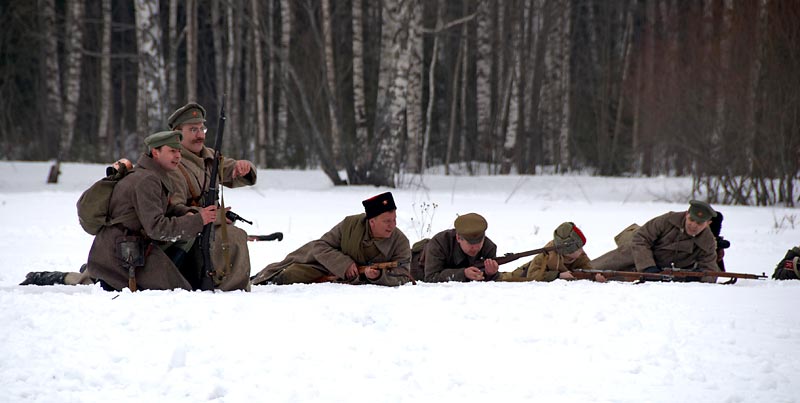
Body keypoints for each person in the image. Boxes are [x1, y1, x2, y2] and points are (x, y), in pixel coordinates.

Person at [79, 131, 216, 291]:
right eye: (172, 151)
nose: (178, 156)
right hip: (123, 256)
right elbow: (157, 228)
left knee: (184, 278)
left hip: (128, 248)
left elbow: (165, 208)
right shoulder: (147, 180)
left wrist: (191, 213)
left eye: (179, 151)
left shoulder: (150, 175)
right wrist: (198, 220)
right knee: (180, 292)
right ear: (155, 152)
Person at [166, 102, 257, 291]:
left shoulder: (209, 158)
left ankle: (233, 284)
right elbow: (174, 209)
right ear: (177, 133)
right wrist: (213, 217)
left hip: (206, 228)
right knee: (231, 236)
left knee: (235, 235)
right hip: (185, 236)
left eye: (202, 128)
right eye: (193, 129)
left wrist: (244, 167)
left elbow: (233, 170)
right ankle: (226, 285)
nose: (200, 135)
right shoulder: (173, 163)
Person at [251, 192, 412, 286]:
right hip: (325, 264)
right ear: (372, 221)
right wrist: (344, 264)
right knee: (289, 274)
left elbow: (404, 274)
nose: (392, 225)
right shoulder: (350, 225)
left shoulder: (400, 242)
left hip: (340, 275)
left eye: (394, 220)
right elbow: (321, 246)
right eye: (387, 221)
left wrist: (377, 277)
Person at [590, 200, 721, 283]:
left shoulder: (708, 241)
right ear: (687, 214)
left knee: (612, 280)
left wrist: (695, 279)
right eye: (691, 220)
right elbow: (640, 239)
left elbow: (709, 270)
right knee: (589, 270)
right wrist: (648, 267)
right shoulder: (667, 220)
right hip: (637, 254)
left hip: (664, 274)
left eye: (699, 223)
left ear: (708, 223)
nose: (694, 225)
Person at [497, 222, 605, 282]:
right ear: (567, 250)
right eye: (578, 248)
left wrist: (595, 277)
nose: (582, 251)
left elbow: (587, 269)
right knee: (504, 278)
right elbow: (533, 274)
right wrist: (558, 275)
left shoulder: (580, 255)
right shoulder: (547, 255)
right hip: (524, 273)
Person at [414, 213, 500, 283]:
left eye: (479, 242)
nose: (475, 248)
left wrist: (491, 273)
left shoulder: (489, 247)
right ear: (458, 238)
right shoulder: (439, 243)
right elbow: (431, 278)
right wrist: (463, 274)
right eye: (471, 243)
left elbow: (488, 280)